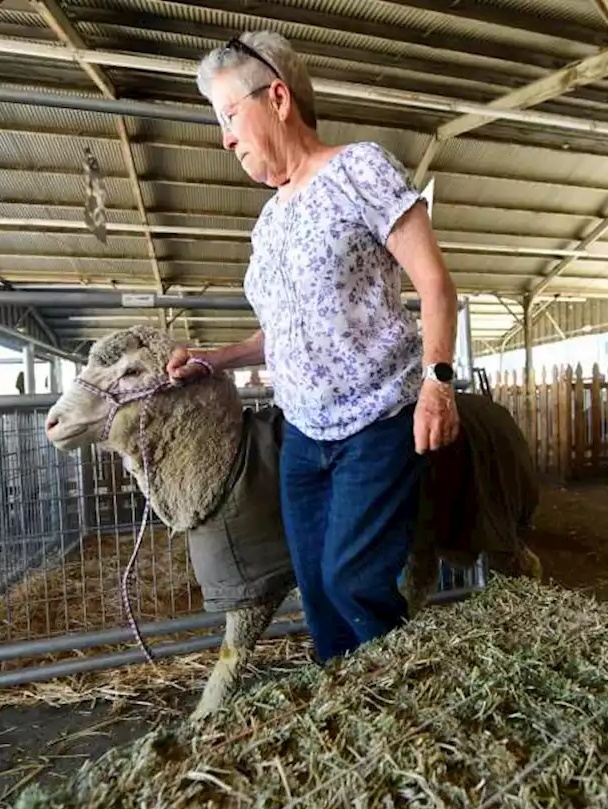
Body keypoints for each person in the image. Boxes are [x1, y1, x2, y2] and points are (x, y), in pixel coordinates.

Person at [166, 30, 461, 664]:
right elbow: (286, 332)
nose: (225, 138)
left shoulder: (359, 168)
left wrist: (438, 382)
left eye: (229, 115)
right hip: (303, 434)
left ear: (277, 97)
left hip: (377, 421)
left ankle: (398, 692)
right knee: (317, 594)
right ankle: (343, 703)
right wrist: (214, 359)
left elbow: (435, 284)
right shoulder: (269, 222)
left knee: (352, 582)